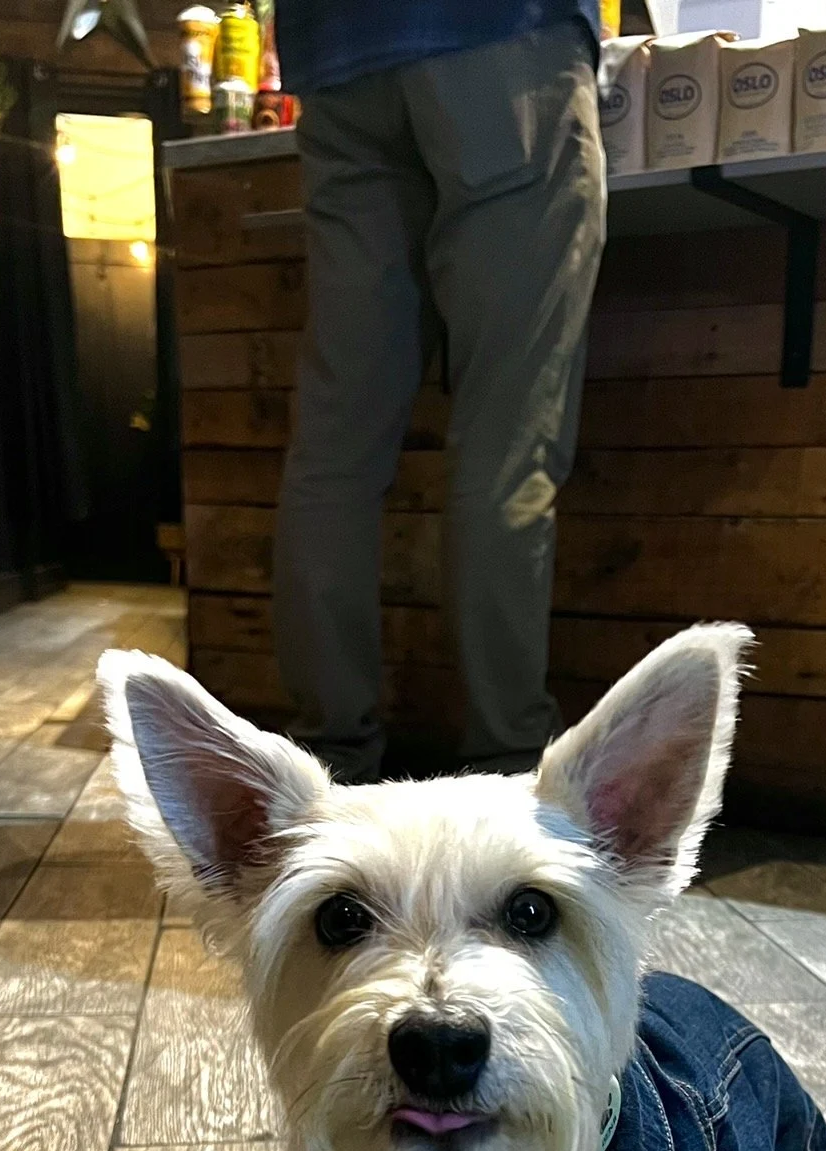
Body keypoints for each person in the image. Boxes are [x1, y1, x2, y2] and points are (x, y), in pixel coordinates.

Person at [271, 0, 607, 781]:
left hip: (336, 59)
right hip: (503, 38)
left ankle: (327, 767)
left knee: (334, 453)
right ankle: (509, 766)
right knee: (507, 441)